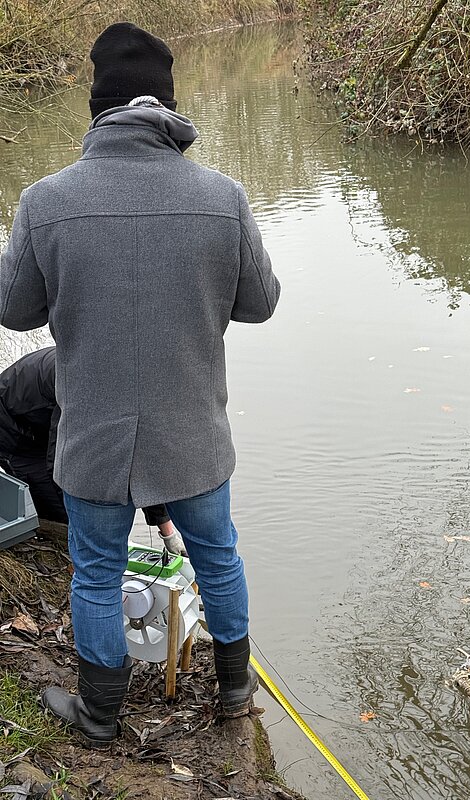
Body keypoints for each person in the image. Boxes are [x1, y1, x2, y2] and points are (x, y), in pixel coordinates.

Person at [0, 22, 280, 747]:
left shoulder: (44, 200)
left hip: (91, 435)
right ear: (169, 105)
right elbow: (260, 302)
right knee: (218, 555)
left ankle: (98, 714)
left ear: (97, 106)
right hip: (193, 438)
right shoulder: (224, 197)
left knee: (94, 569)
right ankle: (231, 692)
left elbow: (15, 307)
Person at [0, 346, 187, 554]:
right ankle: (62, 560)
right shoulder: (84, 385)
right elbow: (59, 464)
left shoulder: (133, 392)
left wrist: (168, 534)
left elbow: (141, 463)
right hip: (11, 427)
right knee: (59, 507)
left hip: (42, 418)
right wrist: (86, 515)